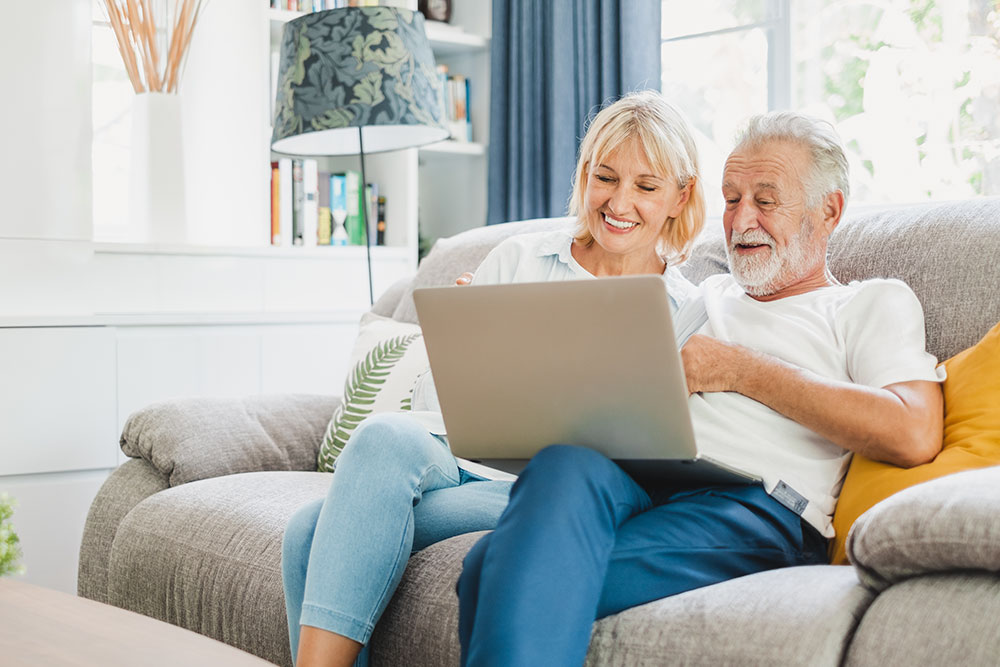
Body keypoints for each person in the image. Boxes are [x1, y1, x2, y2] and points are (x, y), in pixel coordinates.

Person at [455, 111, 946, 667]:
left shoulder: (867, 303)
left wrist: (738, 369)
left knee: (490, 567)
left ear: (828, 210)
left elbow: (913, 431)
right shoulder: (699, 295)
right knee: (564, 460)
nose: (741, 221)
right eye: (732, 198)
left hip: (753, 504)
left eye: (766, 200)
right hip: (644, 474)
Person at [281, 89, 706, 667]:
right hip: (468, 458)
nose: (619, 201)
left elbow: (668, 444)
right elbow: (439, 410)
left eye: (646, 186)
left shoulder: (685, 309)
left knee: (312, 529)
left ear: (681, 197)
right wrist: (461, 349)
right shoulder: (521, 258)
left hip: (549, 492)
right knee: (379, 439)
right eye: (605, 177)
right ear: (585, 174)